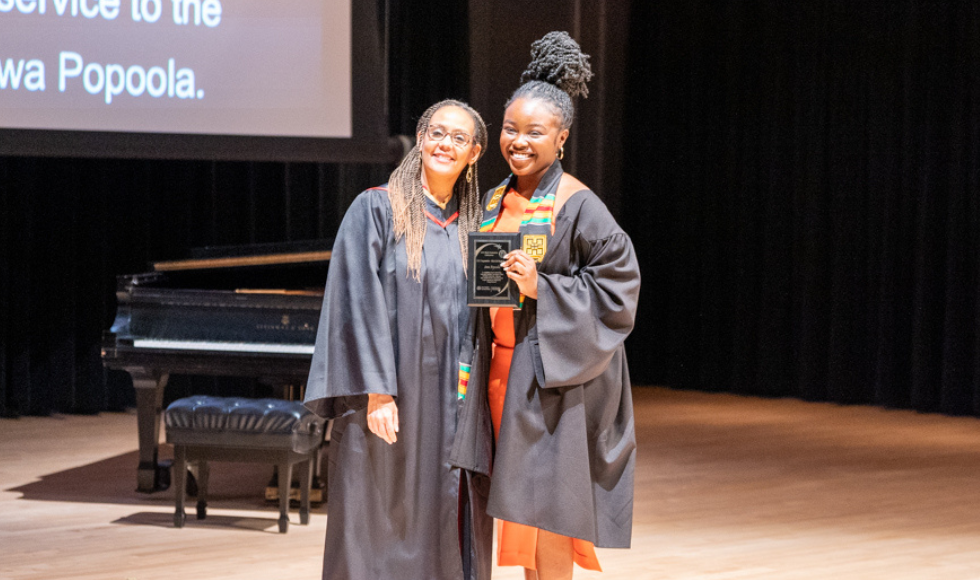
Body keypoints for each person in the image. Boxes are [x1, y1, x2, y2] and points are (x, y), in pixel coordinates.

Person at [451, 32, 641, 580]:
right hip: (502, 372)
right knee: (521, 512)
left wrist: (544, 288)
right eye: (510, 129)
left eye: (535, 132)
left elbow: (618, 289)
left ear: (561, 138)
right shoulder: (493, 199)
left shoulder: (578, 204)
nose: (519, 140)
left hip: (557, 376)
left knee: (551, 512)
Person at [305, 99, 493, 580]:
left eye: (458, 138)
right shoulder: (377, 209)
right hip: (390, 400)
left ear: (474, 153)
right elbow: (356, 302)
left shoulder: (478, 228)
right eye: (436, 132)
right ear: (421, 137)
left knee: (443, 512)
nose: (444, 144)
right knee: (379, 524)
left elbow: (485, 323)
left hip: (453, 405)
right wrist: (377, 391)